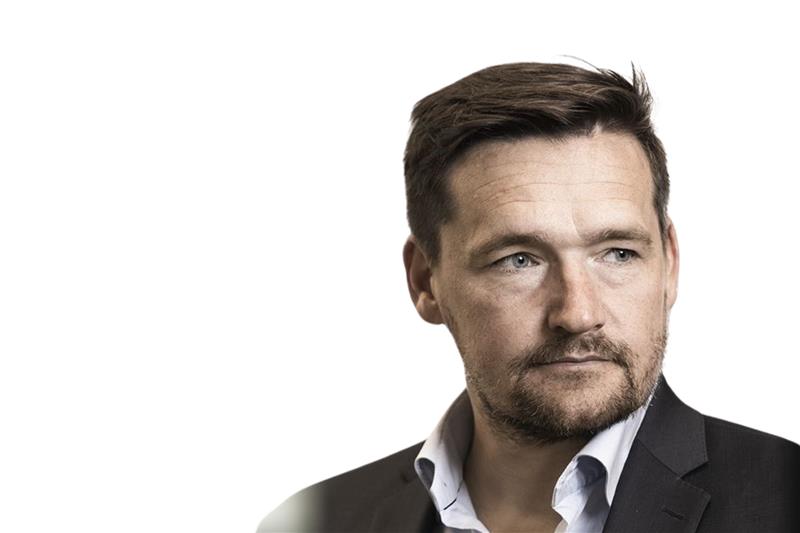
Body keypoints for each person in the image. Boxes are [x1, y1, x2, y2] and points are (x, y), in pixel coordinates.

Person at [258, 62, 800, 532]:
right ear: (426, 281)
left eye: (618, 253)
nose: (578, 314)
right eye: (519, 260)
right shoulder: (320, 520)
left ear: (669, 264)